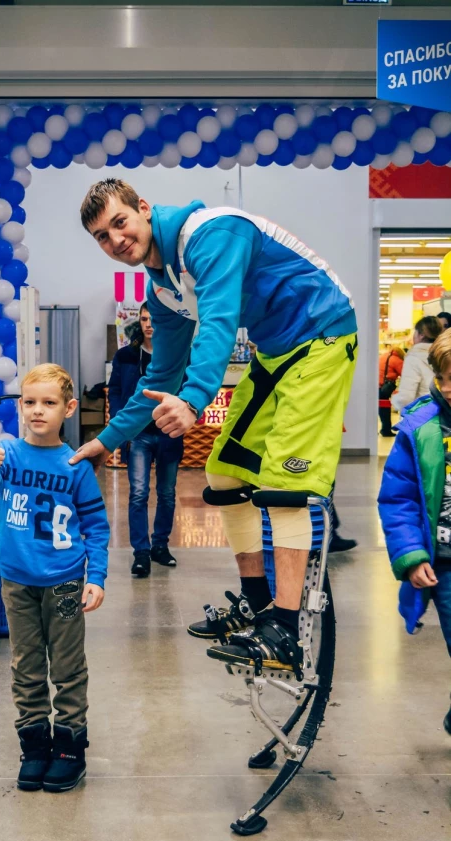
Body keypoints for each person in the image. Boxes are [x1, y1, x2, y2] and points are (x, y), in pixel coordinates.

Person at [72, 179, 357, 670]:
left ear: (143, 209)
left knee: (282, 484)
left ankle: (286, 633)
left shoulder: (210, 233)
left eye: (120, 222)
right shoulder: (161, 289)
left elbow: (220, 323)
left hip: (323, 335)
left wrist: (194, 400)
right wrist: (104, 442)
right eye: (102, 236)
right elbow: (159, 376)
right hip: (276, 351)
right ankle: (256, 601)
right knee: (223, 471)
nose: (116, 240)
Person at [0, 363, 110, 792]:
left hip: (65, 579)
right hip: (16, 581)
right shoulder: (8, 454)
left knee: (67, 667)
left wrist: (98, 576)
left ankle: (69, 747)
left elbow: (97, 527)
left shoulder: (76, 466)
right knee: (26, 665)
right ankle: (34, 744)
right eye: (29, 402)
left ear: (68, 409)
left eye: (48, 403)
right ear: (19, 407)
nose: (37, 411)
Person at [378, 329, 451, 735]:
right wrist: (412, 556)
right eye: (446, 378)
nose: (449, 388)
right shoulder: (421, 427)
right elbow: (398, 500)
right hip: (445, 565)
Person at [108, 301, 184, 577]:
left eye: (153, 318)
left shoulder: (176, 354)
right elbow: (114, 390)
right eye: (143, 319)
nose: (149, 323)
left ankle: (160, 546)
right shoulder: (126, 356)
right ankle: (141, 552)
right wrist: (120, 423)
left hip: (168, 433)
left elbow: (187, 389)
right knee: (138, 493)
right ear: (138, 322)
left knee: (166, 493)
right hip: (138, 433)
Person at [391, 316, 442, 414]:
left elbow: (406, 397)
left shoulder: (414, 358)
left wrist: (395, 400)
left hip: (421, 416)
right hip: (443, 415)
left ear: (421, 335)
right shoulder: (443, 354)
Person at [378, 346, 404, 437]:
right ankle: (386, 430)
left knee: (379, 408)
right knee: (385, 408)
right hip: (385, 387)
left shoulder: (383, 356)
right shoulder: (397, 360)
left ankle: (376, 429)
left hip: (377, 385)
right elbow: (405, 373)